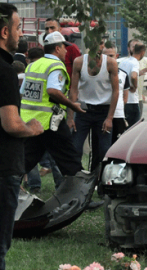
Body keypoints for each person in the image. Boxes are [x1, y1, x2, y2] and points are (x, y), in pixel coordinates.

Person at [0, 4, 43, 269]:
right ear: (5, 31)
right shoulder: (4, 70)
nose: (20, 34)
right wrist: (33, 128)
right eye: (17, 28)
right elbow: (11, 124)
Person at [20, 31, 85, 182]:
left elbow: (22, 92)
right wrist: (71, 106)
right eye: (64, 47)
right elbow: (53, 91)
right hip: (50, 122)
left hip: (31, 122)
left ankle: (7, 186)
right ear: (57, 49)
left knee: (25, 160)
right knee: (70, 159)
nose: (66, 50)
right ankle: (79, 193)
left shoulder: (32, 66)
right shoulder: (55, 66)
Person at [68, 38, 119, 171]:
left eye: (101, 43)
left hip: (103, 112)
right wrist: (70, 116)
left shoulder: (110, 63)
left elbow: (116, 91)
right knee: (75, 148)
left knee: (103, 151)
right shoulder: (79, 62)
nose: (99, 46)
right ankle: (76, 178)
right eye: (95, 42)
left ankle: (101, 181)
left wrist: (109, 118)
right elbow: (73, 90)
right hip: (83, 111)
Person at [102, 44, 130, 143]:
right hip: (102, 115)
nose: (108, 59)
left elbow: (125, 97)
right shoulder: (98, 74)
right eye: (105, 56)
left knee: (117, 145)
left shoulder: (123, 74)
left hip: (118, 115)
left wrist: (117, 108)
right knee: (102, 147)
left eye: (111, 56)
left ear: (116, 56)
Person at [118, 40, 142, 127]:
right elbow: (133, 76)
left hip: (124, 101)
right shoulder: (135, 62)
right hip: (132, 101)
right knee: (134, 128)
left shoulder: (122, 62)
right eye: (134, 46)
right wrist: (134, 86)